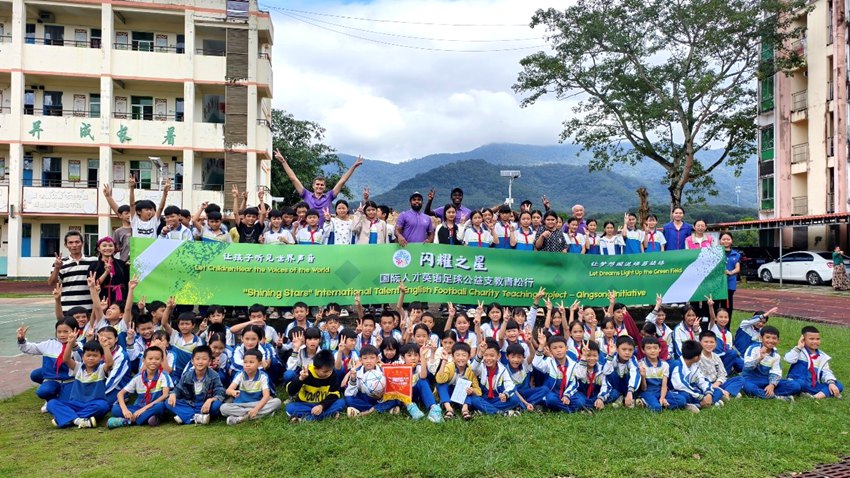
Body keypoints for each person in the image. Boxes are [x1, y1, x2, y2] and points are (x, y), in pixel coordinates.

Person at [275, 148, 363, 226]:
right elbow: (293, 179)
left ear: (325, 187)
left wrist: (354, 167)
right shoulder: (306, 195)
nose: (319, 186)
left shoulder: (329, 196)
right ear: (313, 186)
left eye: (322, 185)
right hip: (308, 230)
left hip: (325, 230)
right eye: (317, 184)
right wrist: (283, 161)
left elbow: (342, 181)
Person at [46, 335, 114, 428]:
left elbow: (109, 363)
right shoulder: (78, 367)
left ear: (101, 358)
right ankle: (79, 421)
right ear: (83, 356)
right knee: (51, 403)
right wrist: (70, 343)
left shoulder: (101, 369)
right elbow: (66, 359)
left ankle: (67, 418)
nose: (91, 358)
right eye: (88, 355)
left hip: (94, 404)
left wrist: (105, 347)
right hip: (75, 403)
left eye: (95, 356)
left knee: (103, 406)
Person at [18, 317, 79, 409]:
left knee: (67, 404)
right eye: (59, 332)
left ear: (75, 331)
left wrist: (73, 345)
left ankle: (59, 398)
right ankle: (50, 399)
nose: (62, 335)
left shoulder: (78, 346)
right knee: (43, 391)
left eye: (66, 332)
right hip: (52, 379)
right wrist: (21, 340)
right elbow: (28, 348)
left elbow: (81, 361)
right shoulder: (49, 344)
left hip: (70, 380)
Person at [108, 346, 173, 428]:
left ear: (162, 360)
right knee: (115, 408)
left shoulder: (163, 375)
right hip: (138, 407)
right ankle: (149, 419)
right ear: (143, 360)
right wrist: (125, 410)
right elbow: (120, 394)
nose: (153, 361)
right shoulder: (138, 377)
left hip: (153, 406)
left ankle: (127, 421)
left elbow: (165, 395)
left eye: (157, 359)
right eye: (150, 359)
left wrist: (143, 409)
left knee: (160, 406)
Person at [221, 349, 282, 425]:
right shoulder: (240, 375)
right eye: (245, 362)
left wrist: (256, 409)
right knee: (223, 408)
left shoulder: (263, 376)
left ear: (259, 364)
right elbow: (228, 390)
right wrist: (233, 392)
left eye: (251, 362)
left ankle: (242, 418)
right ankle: (261, 414)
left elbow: (266, 396)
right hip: (241, 404)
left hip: (257, 403)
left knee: (277, 402)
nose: (247, 365)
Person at [166, 345, 225, 424]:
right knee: (168, 402)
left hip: (205, 405)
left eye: (204, 359)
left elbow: (220, 393)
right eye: (197, 359)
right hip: (190, 404)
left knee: (217, 405)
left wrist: (210, 400)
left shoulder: (214, 375)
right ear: (192, 361)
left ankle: (186, 416)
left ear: (209, 361)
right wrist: (173, 394)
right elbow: (178, 389)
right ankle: (196, 417)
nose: (200, 362)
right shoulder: (187, 375)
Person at [742, 326, 801, 400]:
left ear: (778, 340)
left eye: (774, 338)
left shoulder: (776, 355)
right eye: (767, 337)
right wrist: (760, 358)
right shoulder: (753, 348)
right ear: (761, 338)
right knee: (747, 386)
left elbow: (776, 372)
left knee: (795, 386)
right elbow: (747, 367)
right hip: (751, 379)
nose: (771, 340)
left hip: (766, 380)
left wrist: (772, 385)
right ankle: (776, 397)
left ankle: (764, 393)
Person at [285, 349, 346, 422]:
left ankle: (306, 419)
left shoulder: (332, 374)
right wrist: (300, 379)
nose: (329, 373)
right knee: (290, 408)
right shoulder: (306, 373)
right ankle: (328, 414)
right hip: (305, 404)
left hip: (323, 404)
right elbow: (290, 391)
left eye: (331, 370)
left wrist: (321, 406)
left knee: (341, 403)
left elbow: (335, 394)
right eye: (325, 371)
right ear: (315, 368)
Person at [784, 326, 843, 399]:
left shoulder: (822, 357)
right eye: (811, 339)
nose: (815, 341)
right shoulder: (799, 351)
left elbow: (827, 372)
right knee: (797, 384)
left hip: (812, 386)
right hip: (798, 383)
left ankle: (815, 397)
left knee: (838, 385)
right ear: (803, 339)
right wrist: (799, 347)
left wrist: (831, 383)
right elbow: (788, 359)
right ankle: (823, 393)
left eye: (817, 339)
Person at [344, 345, 402, 417]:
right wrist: (353, 380)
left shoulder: (383, 371)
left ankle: (365, 412)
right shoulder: (357, 373)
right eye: (365, 358)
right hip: (366, 399)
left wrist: (381, 396)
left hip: (382, 398)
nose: (369, 361)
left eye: (372, 358)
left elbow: (393, 389)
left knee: (397, 399)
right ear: (361, 360)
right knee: (349, 399)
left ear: (377, 359)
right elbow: (350, 394)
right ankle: (380, 409)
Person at [469, 339, 522, 417]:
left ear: (498, 356)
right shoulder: (481, 366)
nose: (488, 358)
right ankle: (502, 413)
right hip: (483, 398)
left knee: (515, 399)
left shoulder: (502, 369)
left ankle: (484, 410)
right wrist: (480, 353)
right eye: (485, 355)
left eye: (492, 355)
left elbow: (510, 385)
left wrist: (505, 395)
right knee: (474, 400)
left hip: (496, 398)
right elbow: (473, 368)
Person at [533, 332, 583, 413]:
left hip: (568, 393)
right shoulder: (549, 362)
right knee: (551, 399)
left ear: (566, 348)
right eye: (555, 348)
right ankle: (568, 410)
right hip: (553, 393)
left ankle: (559, 407)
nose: (558, 350)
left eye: (561, 347)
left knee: (580, 401)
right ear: (550, 350)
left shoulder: (573, 364)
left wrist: (567, 395)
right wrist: (541, 346)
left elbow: (574, 383)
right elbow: (536, 364)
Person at [48, 230, 97, 314]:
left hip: (89, 307)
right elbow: (51, 283)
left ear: (82, 243)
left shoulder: (93, 261)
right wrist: (57, 268)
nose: (74, 245)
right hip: (67, 308)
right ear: (66, 245)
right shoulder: (60, 263)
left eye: (77, 242)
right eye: (70, 243)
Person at [637, 337, 685, 412]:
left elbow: (664, 386)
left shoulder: (664, 365)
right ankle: (655, 404)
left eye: (655, 348)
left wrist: (662, 398)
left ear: (659, 349)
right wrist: (643, 377)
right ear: (643, 350)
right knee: (656, 408)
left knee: (681, 400)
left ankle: (657, 403)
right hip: (647, 392)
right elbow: (643, 388)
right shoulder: (641, 364)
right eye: (649, 348)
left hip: (660, 391)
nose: (652, 351)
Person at [435, 342, 481, 420]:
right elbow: (440, 380)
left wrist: (472, 391)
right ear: (453, 357)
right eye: (457, 355)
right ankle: (449, 410)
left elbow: (479, 391)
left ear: (469, 357)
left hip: (462, 399)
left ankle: (465, 410)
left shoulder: (471, 370)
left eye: (464, 355)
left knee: (467, 386)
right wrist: (444, 361)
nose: (461, 358)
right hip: (448, 398)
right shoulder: (449, 366)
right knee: (441, 385)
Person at [669, 340, 714, 413]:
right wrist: (700, 397)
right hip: (677, 392)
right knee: (682, 398)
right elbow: (680, 385)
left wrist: (708, 394)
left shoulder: (694, 365)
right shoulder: (677, 365)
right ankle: (699, 404)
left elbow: (702, 380)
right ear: (696, 357)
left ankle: (702, 403)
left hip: (692, 392)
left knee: (715, 391)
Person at [698, 331, 744, 400]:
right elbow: (700, 380)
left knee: (740, 379)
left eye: (712, 342)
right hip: (706, 386)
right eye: (706, 342)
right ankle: (724, 394)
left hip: (717, 383)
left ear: (716, 343)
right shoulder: (698, 358)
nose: (709, 344)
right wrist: (715, 387)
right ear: (700, 343)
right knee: (708, 391)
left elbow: (723, 374)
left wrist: (717, 383)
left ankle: (726, 394)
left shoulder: (716, 357)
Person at [599, 336, 641, 408]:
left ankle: (628, 397)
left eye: (630, 350)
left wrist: (630, 391)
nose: (627, 352)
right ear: (617, 349)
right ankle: (621, 398)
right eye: (624, 349)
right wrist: (611, 354)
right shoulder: (611, 357)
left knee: (632, 374)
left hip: (627, 388)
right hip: (615, 387)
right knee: (611, 373)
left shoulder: (632, 359)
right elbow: (605, 372)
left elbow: (635, 374)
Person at [88, 237, 129, 306]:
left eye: (110, 245)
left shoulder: (121, 264)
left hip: (121, 297)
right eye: (104, 246)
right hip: (103, 298)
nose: (107, 248)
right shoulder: (94, 265)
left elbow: (127, 282)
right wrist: (106, 272)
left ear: (114, 248)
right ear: (99, 249)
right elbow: (93, 284)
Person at [719, 232, 741, 314]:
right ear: (720, 240)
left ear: (731, 241)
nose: (726, 241)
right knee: (717, 305)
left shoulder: (736, 254)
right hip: (718, 284)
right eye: (723, 239)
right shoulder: (715, 253)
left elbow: (737, 268)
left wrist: (730, 272)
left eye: (728, 239)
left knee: (728, 306)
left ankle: (726, 326)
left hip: (730, 284)